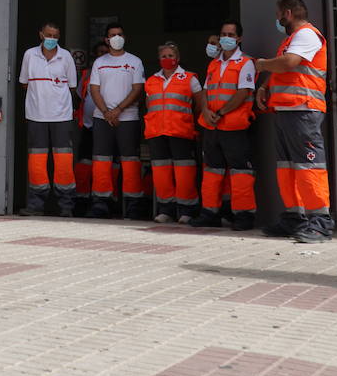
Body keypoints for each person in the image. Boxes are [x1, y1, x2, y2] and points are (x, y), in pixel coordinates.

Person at [254, 0, 333, 243]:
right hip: (287, 110)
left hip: (303, 110)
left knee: (309, 165)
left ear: (287, 13)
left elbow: (289, 63)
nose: (277, 19)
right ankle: (294, 217)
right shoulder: (290, 40)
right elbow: (285, 70)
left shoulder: (307, 35)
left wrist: (263, 65)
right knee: (287, 168)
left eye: (278, 14)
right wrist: (265, 86)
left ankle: (320, 222)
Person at [195, 20, 257, 230]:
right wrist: (205, 111)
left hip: (234, 126)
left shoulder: (246, 62)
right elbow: (206, 91)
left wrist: (221, 112)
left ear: (239, 38)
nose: (226, 38)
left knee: (240, 173)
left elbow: (242, 93)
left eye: (231, 34)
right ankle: (209, 212)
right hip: (212, 125)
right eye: (224, 34)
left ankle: (243, 216)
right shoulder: (214, 64)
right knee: (212, 171)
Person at [17, 21, 79, 216]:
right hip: (36, 115)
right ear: (41, 34)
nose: (51, 39)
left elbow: (72, 87)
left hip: (61, 116)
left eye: (55, 36)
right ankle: (36, 206)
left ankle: (66, 206)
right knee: (36, 162)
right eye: (48, 35)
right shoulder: (30, 55)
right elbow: (24, 84)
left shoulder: (66, 56)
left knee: (63, 161)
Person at [88, 23, 146, 219]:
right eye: (112, 35)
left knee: (130, 161)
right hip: (102, 117)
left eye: (120, 34)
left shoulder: (135, 61)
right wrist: (106, 112)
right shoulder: (99, 62)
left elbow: (137, 88)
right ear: (106, 39)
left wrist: (118, 110)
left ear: (124, 37)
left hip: (128, 117)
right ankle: (101, 202)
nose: (116, 37)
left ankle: (133, 204)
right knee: (101, 160)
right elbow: (94, 89)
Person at [144, 42, 203, 223]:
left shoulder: (189, 78)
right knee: (162, 173)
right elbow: (149, 105)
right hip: (157, 132)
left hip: (181, 131)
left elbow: (200, 104)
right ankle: (166, 209)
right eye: (163, 56)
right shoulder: (152, 80)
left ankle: (187, 210)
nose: (167, 59)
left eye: (170, 56)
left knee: (184, 172)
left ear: (177, 58)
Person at [72, 40, 108, 217]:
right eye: (99, 52)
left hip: (108, 125)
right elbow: (79, 97)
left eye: (105, 51)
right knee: (84, 165)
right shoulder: (87, 74)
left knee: (106, 165)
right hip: (88, 126)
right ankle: (81, 200)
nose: (102, 54)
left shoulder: (115, 71)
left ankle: (106, 202)